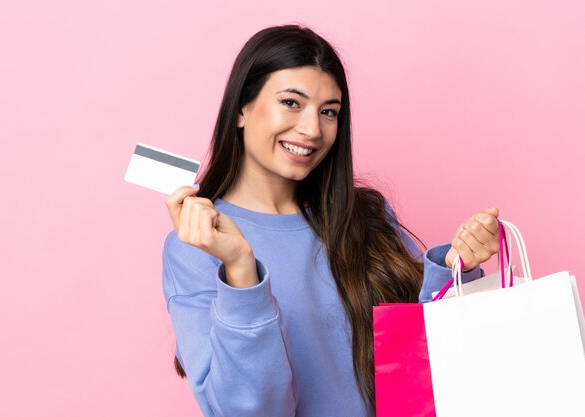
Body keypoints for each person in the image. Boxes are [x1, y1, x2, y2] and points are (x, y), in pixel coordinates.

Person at [162, 24, 499, 417]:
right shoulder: (196, 247)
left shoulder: (365, 216)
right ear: (241, 108)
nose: (312, 129)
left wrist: (456, 266)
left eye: (328, 112)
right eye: (291, 103)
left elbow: (421, 363)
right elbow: (251, 410)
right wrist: (240, 269)